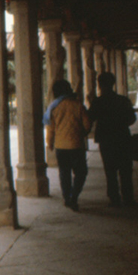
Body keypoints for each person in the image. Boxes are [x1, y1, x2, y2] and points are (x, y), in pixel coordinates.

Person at [88, 72, 136, 207]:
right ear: (113, 83)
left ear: (100, 85)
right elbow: (132, 119)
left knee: (110, 171)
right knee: (126, 170)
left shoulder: (98, 102)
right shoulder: (123, 100)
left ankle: (114, 198)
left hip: (106, 139)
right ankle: (128, 198)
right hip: (122, 138)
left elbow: (89, 118)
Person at [45, 79, 90, 210]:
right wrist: (81, 134)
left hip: (60, 146)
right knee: (81, 172)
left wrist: (50, 143)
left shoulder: (53, 107)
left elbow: (50, 129)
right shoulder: (78, 105)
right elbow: (87, 125)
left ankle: (67, 198)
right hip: (76, 145)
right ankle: (74, 196)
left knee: (64, 173)